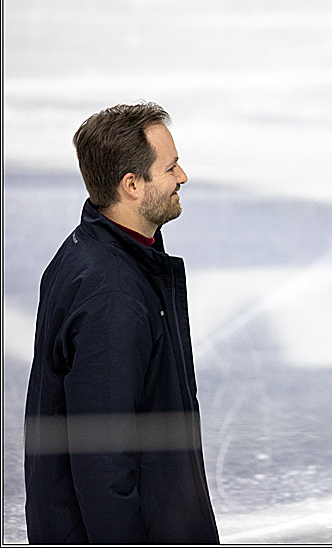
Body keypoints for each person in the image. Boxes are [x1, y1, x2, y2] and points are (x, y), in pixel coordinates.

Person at [24, 103, 219, 544]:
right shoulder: (113, 296)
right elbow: (104, 463)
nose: (183, 176)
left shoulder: (103, 252)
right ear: (132, 185)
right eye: (170, 168)